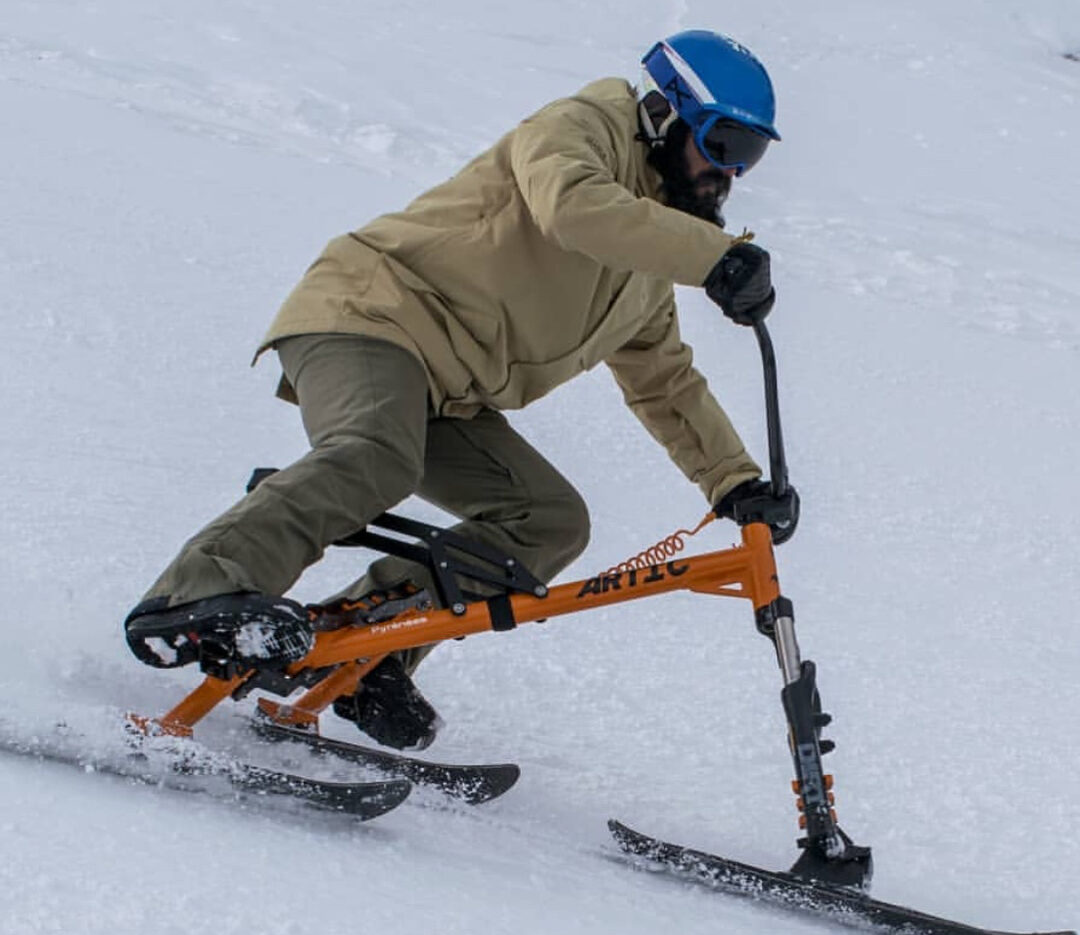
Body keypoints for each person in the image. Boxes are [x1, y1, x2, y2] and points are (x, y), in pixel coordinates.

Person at [125, 29, 798, 751]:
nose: (729, 174)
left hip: (444, 391)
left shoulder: (644, 266)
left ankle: (364, 651)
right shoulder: (579, 128)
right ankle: (191, 597)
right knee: (376, 455)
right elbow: (571, 206)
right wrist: (714, 258)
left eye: (749, 156)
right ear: (667, 114)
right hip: (370, 315)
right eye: (724, 143)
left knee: (546, 519)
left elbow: (664, 378)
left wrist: (734, 480)